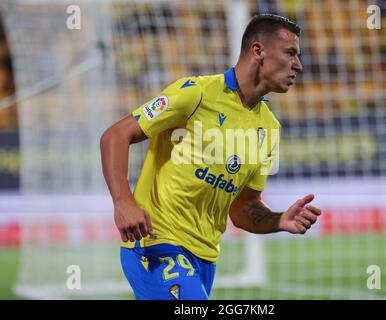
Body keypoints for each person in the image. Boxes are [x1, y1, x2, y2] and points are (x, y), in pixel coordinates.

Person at [100, 13, 322, 300]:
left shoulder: (269, 129)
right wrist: (123, 202)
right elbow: (115, 136)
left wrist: (279, 220)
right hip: (156, 244)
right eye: (290, 53)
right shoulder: (195, 94)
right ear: (258, 51)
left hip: (204, 258)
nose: (298, 65)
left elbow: (244, 209)